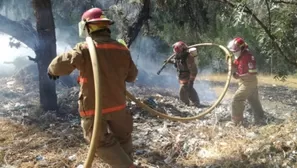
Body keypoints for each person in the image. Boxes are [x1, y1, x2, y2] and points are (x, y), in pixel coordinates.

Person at [47, 7, 139, 168]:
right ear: (106, 26)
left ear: (87, 26)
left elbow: (60, 65)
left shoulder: (84, 48)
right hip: (118, 105)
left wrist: (51, 69)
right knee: (123, 138)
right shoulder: (122, 49)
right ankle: (127, 163)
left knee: (99, 142)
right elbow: (132, 76)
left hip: (95, 108)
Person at [227, 37, 265, 126]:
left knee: (237, 99)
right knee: (253, 100)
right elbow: (235, 67)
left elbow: (253, 73)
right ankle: (261, 119)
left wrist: (239, 76)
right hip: (244, 82)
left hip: (249, 82)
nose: (234, 52)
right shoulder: (239, 57)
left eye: (235, 50)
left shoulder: (248, 57)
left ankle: (236, 123)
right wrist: (229, 62)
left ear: (242, 48)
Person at [169, 41, 201, 107]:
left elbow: (194, 70)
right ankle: (196, 102)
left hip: (187, 76)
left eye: (178, 52)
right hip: (182, 76)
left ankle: (185, 104)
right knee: (189, 89)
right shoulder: (179, 55)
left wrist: (191, 81)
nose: (176, 53)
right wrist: (171, 61)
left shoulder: (189, 58)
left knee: (183, 89)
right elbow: (177, 62)